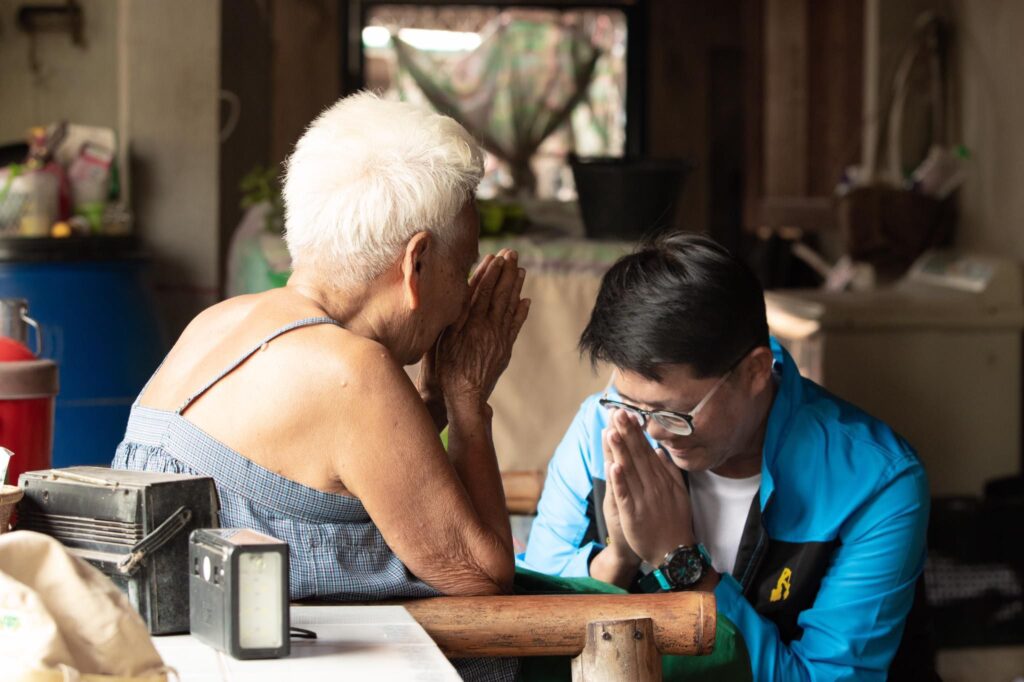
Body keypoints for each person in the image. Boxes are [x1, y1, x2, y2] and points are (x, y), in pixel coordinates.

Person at [112, 93, 528, 681]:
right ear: (416, 264)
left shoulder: (216, 321)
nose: (463, 299)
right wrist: (467, 405)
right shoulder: (352, 372)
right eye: (462, 270)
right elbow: (482, 578)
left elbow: (334, 463)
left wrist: (432, 400)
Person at [520, 233, 930, 680]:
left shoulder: (876, 482)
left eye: (676, 414)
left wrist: (680, 561)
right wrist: (617, 559)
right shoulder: (600, 428)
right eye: (631, 404)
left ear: (755, 372)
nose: (653, 431)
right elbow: (526, 629)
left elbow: (824, 677)